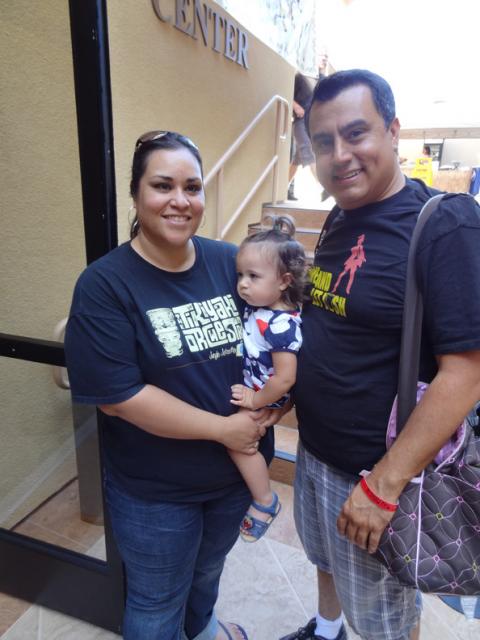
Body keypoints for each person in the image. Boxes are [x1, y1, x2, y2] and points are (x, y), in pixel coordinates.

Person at [279, 69, 480, 640]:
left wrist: (384, 485)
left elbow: (467, 373)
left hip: (375, 473)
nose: (339, 155)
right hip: (316, 452)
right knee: (323, 560)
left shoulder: (445, 222)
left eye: (356, 133)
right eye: (323, 142)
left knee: (385, 620)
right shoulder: (341, 216)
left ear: (393, 131)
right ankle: (325, 631)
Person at [64, 130, 279, 640]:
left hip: (233, 476)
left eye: (192, 187)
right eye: (163, 185)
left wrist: (278, 400)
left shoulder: (230, 263)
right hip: (156, 492)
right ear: (136, 194)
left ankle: (202, 630)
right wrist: (224, 430)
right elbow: (120, 399)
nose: (180, 200)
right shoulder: (105, 285)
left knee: (207, 574)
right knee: (156, 603)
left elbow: (275, 335)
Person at [229, 216, 306, 542]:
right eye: (240, 275)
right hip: (257, 388)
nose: (243, 284)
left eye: (253, 276)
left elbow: (285, 378)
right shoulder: (258, 306)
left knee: (239, 444)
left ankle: (265, 499)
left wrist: (255, 400)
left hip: (265, 395)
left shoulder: (281, 325)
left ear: (284, 281)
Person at [288, 51, 329, 201]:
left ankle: (282, 188)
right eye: (322, 56)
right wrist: (295, 106)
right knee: (309, 152)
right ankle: (325, 188)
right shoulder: (299, 75)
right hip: (300, 122)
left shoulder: (320, 79)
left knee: (297, 159)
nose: (324, 59)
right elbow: (284, 91)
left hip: (313, 123)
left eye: (326, 57)